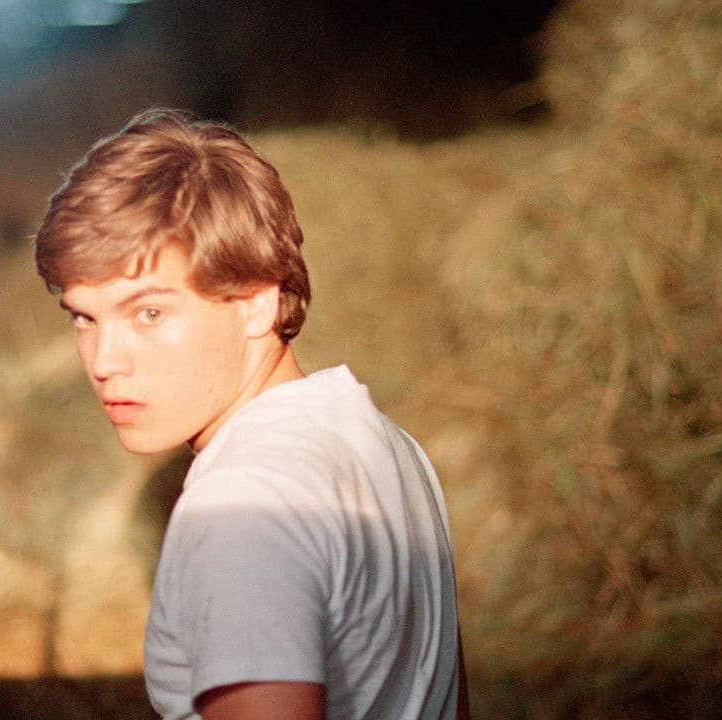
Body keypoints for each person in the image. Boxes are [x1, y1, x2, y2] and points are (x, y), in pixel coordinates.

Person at [34, 108, 467, 720]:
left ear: (258, 303)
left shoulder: (240, 507)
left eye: (149, 313)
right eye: (85, 317)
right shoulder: (388, 446)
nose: (104, 361)